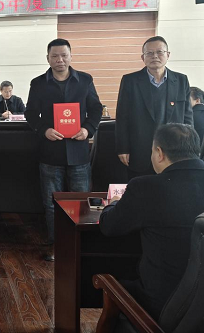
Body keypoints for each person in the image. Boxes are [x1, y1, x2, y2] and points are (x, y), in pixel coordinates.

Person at [100, 123, 204, 322]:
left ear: (159, 153)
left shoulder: (145, 187)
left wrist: (113, 204)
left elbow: (109, 226)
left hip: (160, 305)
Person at [25, 38, 102, 261]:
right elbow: (31, 113)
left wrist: (88, 129)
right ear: (47, 58)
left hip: (78, 153)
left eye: (64, 55)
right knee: (52, 204)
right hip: (50, 152)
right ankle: (56, 244)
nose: (60, 60)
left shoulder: (85, 80)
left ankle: (81, 245)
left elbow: (96, 109)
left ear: (70, 56)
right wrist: (44, 130)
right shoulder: (38, 83)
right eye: (55, 56)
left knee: (81, 201)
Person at [116, 36, 192, 179]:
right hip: (140, 149)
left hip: (174, 150)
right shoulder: (130, 81)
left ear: (168, 55)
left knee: (172, 188)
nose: (155, 56)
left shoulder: (181, 80)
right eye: (149, 53)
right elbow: (122, 117)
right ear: (143, 57)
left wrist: (189, 150)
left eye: (159, 52)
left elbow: (188, 118)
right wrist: (123, 148)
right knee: (141, 188)